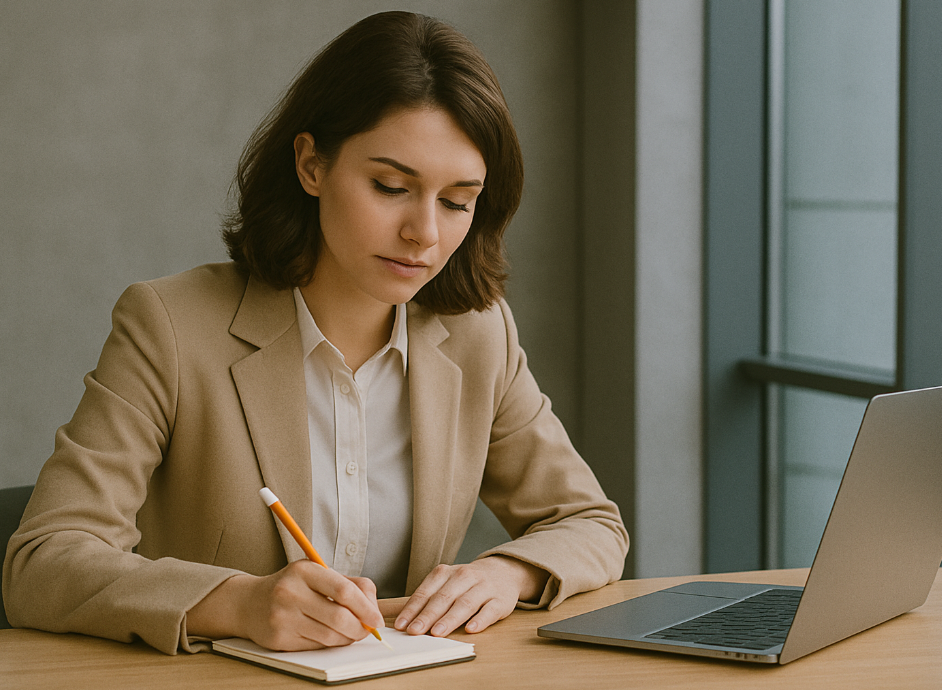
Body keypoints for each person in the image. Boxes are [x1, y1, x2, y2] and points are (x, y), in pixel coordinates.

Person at [2, 11, 628, 655]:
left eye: (456, 200)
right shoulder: (170, 325)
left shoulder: (478, 335)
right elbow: (42, 562)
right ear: (311, 165)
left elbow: (589, 522)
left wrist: (508, 572)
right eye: (391, 186)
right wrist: (238, 603)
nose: (426, 234)